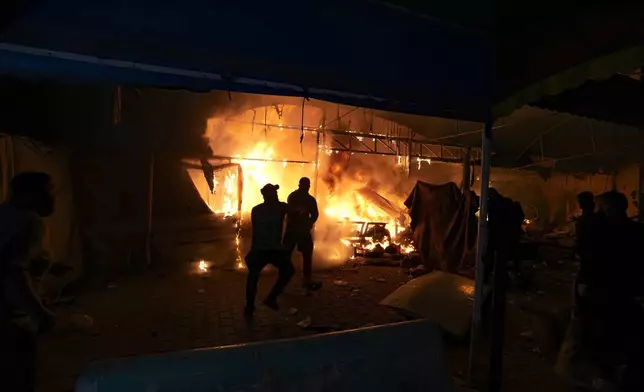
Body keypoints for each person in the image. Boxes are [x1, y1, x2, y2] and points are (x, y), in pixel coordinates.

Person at [0, 172, 56, 392]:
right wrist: (39, 313)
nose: (52, 198)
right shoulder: (29, 222)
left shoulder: (3, 214)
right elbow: (13, 271)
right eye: (48, 191)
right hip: (9, 321)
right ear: (29, 195)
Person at [244, 184, 294, 318]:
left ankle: (249, 306)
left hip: (258, 248)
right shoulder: (279, 207)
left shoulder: (256, 210)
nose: (277, 195)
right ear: (272, 195)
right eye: (275, 193)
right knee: (289, 271)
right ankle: (271, 297)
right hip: (273, 249)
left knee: (253, 277)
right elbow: (294, 210)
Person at [285, 177, 321, 292]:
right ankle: (306, 279)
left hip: (293, 230)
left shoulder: (293, 196)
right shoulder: (309, 199)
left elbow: (314, 214)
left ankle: (285, 278)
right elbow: (315, 214)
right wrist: (309, 223)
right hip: (301, 230)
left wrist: (308, 223)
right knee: (305, 255)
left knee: (287, 255)